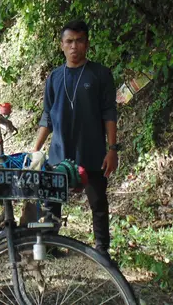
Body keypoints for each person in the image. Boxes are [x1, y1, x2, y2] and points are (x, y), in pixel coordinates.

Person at [33, 19, 120, 259]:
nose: (74, 46)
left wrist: (112, 149)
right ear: (61, 45)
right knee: (51, 201)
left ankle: (102, 250)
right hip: (59, 152)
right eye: (69, 41)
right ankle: (50, 246)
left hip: (92, 152)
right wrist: (36, 150)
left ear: (87, 44)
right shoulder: (54, 77)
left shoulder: (100, 74)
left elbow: (109, 112)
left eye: (79, 41)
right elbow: (47, 116)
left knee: (98, 204)